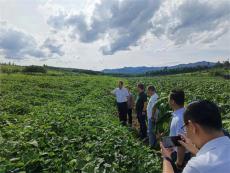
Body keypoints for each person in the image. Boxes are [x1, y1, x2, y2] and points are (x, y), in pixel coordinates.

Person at [161, 100, 230, 173]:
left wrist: (166, 158)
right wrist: (195, 150)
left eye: (185, 127)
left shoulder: (196, 166)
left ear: (192, 127)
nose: (185, 132)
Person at [168, 89, 189, 171]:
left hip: (180, 155)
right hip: (176, 151)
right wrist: (167, 143)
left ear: (173, 101)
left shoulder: (180, 118)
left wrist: (179, 163)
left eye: (169, 98)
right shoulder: (180, 114)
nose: (168, 100)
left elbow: (181, 142)